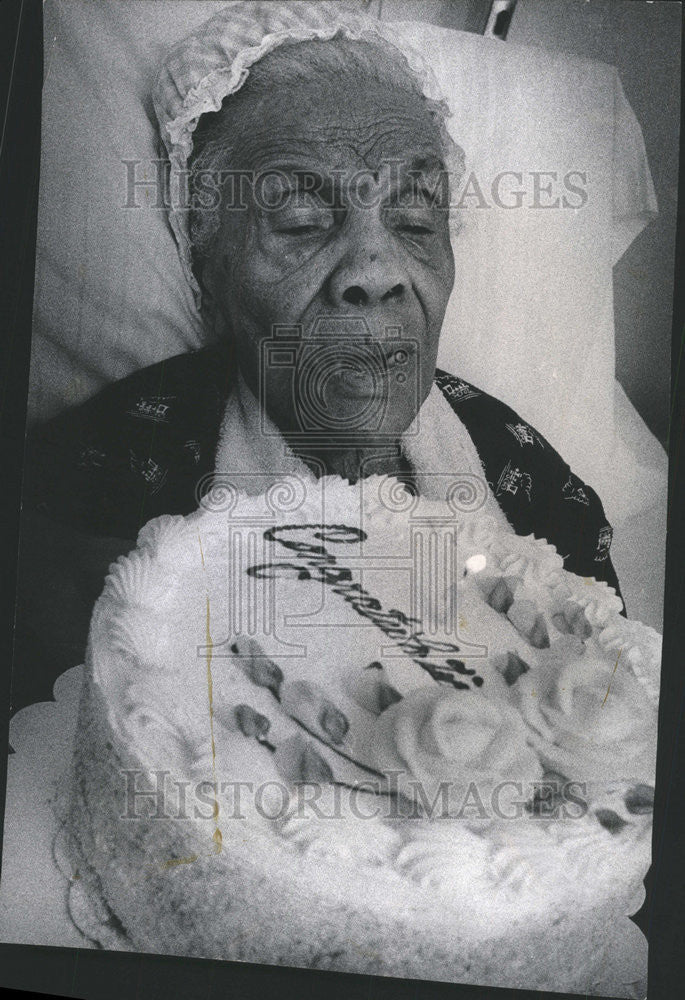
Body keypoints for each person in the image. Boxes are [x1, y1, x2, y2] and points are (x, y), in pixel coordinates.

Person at [14, 21, 622, 713]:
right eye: (302, 222)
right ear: (208, 269)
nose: (375, 272)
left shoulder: (532, 486)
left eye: (416, 224)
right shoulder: (100, 477)